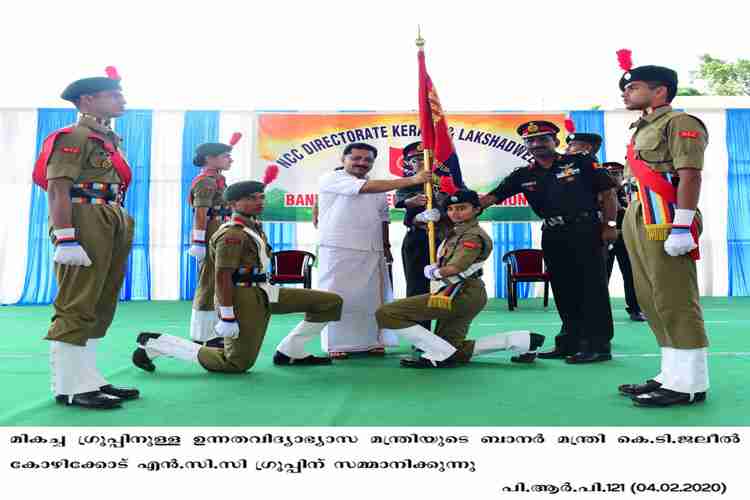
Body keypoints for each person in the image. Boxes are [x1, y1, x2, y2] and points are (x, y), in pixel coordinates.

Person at [132, 180, 341, 374]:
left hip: (265, 290)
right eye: (251, 198)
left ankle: (291, 350)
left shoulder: (253, 227)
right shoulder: (232, 234)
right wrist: (227, 315)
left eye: (261, 197)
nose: (259, 202)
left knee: (329, 303)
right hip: (243, 296)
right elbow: (222, 278)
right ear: (233, 203)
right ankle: (156, 344)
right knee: (235, 363)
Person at [32, 67, 138, 409]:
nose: (121, 99)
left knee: (101, 300)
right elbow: (57, 187)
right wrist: (65, 237)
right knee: (78, 300)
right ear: (88, 100)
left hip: (110, 215)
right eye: (113, 94)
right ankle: (69, 385)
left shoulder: (107, 139)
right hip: (84, 216)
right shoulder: (74, 136)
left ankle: (89, 377)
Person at [480, 121, 618, 364]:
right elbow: (491, 197)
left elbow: (608, 193)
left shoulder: (580, 163)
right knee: (563, 289)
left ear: (555, 141)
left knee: (591, 288)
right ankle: (570, 342)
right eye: (531, 141)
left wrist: (609, 226)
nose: (536, 144)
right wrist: (457, 208)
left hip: (586, 230)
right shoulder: (523, 175)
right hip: (553, 235)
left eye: (543, 139)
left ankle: (598, 345)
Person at [615, 57, 710, 407]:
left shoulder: (681, 122)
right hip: (639, 215)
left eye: (633, 87)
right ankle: (670, 374)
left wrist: (683, 225)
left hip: (666, 218)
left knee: (675, 299)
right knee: (651, 298)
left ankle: (690, 383)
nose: (626, 93)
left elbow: (690, 175)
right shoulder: (641, 126)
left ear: (659, 91)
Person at [376, 190, 545, 368]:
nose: (455, 213)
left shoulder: (471, 236)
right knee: (453, 351)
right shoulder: (455, 230)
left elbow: (456, 268)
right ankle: (524, 340)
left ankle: (439, 353)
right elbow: (418, 225)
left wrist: (435, 273)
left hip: (461, 293)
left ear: (477, 210)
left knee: (387, 313)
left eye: (462, 208)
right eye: (450, 208)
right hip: (461, 292)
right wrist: (421, 218)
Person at [317, 143, 431, 358]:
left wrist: (386, 246)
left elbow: (383, 218)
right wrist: (414, 180)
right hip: (339, 247)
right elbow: (363, 189)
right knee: (339, 297)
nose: (362, 163)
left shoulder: (375, 185)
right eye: (356, 158)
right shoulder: (331, 178)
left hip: (373, 247)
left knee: (372, 299)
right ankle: (337, 345)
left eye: (367, 160)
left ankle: (371, 342)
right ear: (343, 159)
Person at [187, 139, 237, 347]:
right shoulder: (206, 181)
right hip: (211, 230)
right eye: (226, 156)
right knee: (209, 279)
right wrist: (198, 241)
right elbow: (201, 212)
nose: (230, 159)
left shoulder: (218, 179)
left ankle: (215, 327)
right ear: (210, 158)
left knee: (218, 279)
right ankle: (203, 333)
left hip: (221, 228)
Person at [394, 141, 445, 331]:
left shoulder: (448, 181)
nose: (422, 163)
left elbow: (464, 204)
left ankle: (446, 333)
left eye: (426, 159)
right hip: (418, 240)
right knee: (417, 288)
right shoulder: (407, 184)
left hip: (446, 240)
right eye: (416, 160)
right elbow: (401, 202)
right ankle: (420, 334)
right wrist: (417, 213)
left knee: (448, 287)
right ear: (410, 164)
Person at [601, 161, 646, 322]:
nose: (613, 178)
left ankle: (635, 309)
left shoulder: (632, 193)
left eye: (617, 174)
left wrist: (623, 209)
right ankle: (600, 312)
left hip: (627, 239)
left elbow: (640, 214)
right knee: (602, 275)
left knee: (631, 275)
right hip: (605, 240)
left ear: (622, 176)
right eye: (609, 174)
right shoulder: (599, 193)